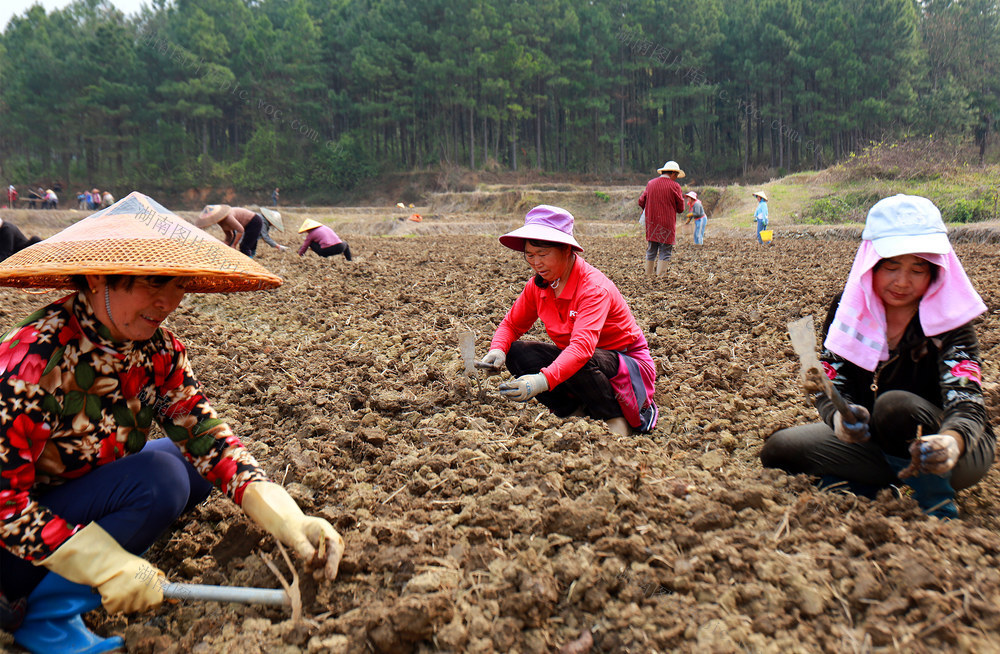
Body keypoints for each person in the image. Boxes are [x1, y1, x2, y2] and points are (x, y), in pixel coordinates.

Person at [0, 192, 345, 653]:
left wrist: (291, 521)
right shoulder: (33, 361)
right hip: (13, 539)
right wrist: (103, 563)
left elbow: (208, 440)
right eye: (153, 282)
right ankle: (41, 612)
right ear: (99, 275)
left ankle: (113, 550)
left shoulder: (158, 351)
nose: (167, 301)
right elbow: (5, 507)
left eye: (178, 285)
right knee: (160, 478)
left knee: (187, 465)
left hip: (76, 487)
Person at [760, 195, 994, 519]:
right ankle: (880, 488)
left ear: (935, 270)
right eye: (891, 266)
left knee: (895, 406)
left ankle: (935, 504)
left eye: (918, 269)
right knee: (780, 449)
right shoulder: (848, 310)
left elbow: (967, 402)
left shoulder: (951, 320)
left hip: (950, 451)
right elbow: (831, 382)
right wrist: (840, 419)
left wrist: (952, 441)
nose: (902, 282)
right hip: (877, 444)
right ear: (871, 264)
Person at [478, 205, 658, 437]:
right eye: (530, 255)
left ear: (566, 250)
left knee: (580, 359)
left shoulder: (593, 288)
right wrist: (497, 350)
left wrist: (540, 382)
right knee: (517, 352)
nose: (536, 263)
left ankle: (615, 418)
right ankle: (574, 412)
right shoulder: (539, 285)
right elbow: (512, 325)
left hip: (625, 365)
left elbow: (582, 349)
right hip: (581, 360)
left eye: (543, 254)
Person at [637, 160, 685, 277]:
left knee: (651, 250)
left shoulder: (651, 184)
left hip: (652, 223)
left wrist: (650, 209)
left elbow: (641, 201)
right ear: (673, 173)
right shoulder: (675, 186)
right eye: (676, 175)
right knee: (665, 251)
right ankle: (660, 278)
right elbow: (681, 208)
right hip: (667, 223)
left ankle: (648, 276)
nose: (676, 178)